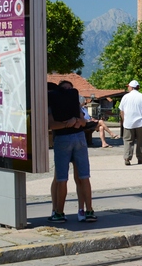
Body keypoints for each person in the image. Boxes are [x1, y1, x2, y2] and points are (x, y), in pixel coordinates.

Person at [48, 80, 96, 223]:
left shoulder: (53, 101)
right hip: (79, 137)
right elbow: (83, 122)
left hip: (62, 138)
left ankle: (58, 212)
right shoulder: (74, 102)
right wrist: (75, 121)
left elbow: (51, 125)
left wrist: (64, 124)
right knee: (83, 176)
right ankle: (88, 210)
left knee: (61, 178)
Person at [119, 80, 142, 166]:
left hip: (128, 123)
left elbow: (122, 111)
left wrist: (124, 120)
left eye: (128, 87)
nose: (128, 88)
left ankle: (127, 158)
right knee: (141, 141)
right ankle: (140, 158)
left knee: (128, 141)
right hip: (140, 122)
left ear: (131, 87)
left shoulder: (125, 97)